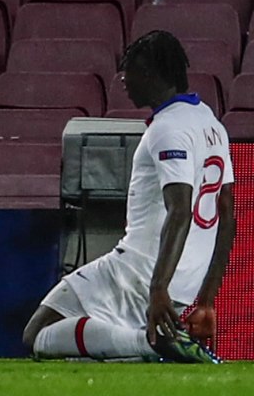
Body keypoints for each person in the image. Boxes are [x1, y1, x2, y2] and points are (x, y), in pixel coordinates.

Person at [23, 31, 234, 363]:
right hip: (186, 282)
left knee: (38, 333)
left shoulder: (168, 128)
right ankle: (147, 347)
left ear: (150, 72)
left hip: (140, 270)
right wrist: (206, 300)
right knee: (91, 349)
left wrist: (157, 288)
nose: (123, 81)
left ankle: (150, 345)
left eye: (129, 71)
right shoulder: (212, 124)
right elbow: (227, 216)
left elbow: (179, 209)